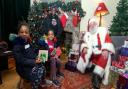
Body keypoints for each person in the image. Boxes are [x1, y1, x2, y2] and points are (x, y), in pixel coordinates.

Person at [13, 22, 47, 89]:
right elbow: (20, 60)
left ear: (29, 34)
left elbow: (31, 53)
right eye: (22, 32)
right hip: (22, 68)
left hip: (30, 63)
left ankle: (40, 82)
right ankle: (35, 85)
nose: (24, 34)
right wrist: (34, 62)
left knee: (42, 67)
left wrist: (36, 57)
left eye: (26, 32)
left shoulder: (28, 42)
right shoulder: (17, 45)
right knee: (37, 71)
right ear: (18, 33)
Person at [83, 18, 115, 89]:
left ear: (97, 24)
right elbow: (85, 43)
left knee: (98, 71)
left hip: (102, 53)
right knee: (87, 62)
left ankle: (96, 86)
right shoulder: (88, 35)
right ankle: (97, 78)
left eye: (93, 24)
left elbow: (108, 40)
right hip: (94, 54)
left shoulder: (102, 31)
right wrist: (85, 47)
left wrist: (106, 49)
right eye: (90, 25)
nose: (92, 26)